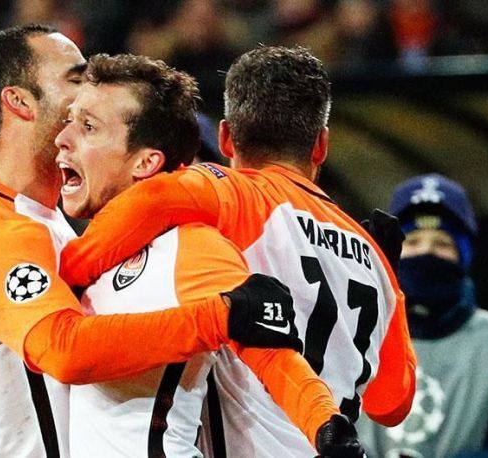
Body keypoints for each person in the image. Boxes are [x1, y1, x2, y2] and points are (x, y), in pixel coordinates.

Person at [0, 25, 314, 457]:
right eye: (75, 79)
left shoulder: (53, 221)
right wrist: (219, 318)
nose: (87, 94)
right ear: (18, 101)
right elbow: (65, 350)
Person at [58, 45, 417, 454]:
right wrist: (391, 281)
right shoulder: (375, 258)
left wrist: (70, 272)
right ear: (320, 145)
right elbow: (391, 404)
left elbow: (151, 200)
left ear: (226, 138)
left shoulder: (231, 194)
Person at [356, 173, 488, 457]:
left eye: (442, 244)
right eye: (413, 241)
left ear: (465, 256)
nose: (426, 252)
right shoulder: (352, 331)